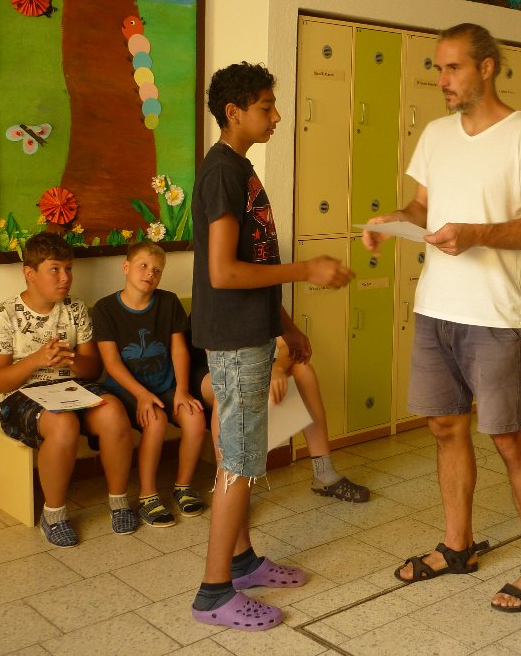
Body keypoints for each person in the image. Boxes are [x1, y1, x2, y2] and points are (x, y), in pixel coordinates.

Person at [362, 23, 521, 612]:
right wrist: (393, 219)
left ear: (487, 67)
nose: (441, 80)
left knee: (509, 438)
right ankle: (458, 546)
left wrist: (478, 234)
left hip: (496, 315)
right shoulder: (435, 134)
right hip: (436, 308)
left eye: (452, 68)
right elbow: (422, 206)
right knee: (445, 428)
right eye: (437, 68)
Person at [190, 61, 354, 631]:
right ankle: (214, 593)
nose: (278, 115)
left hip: (252, 332)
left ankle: (242, 562)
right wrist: (306, 269)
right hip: (235, 342)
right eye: (266, 106)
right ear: (233, 112)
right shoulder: (223, 172)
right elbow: (223, 272)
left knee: (241, 457)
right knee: (238, 463)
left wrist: (285, 326)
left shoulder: (239, 168)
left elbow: (252, 264)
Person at [0, 231, 137, 547]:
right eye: (55, 269)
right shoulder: (3, 315)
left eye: (68, 269)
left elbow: (93, 369)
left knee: (114, 412)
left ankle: (119, 501)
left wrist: (72, 360)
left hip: (72, 387)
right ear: (30, 273)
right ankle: (53, 515)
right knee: (63, 423)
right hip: (22, 397)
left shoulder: (74, 309)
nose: (65, 277)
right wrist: (36, 360)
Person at [92, 241, 208, 527]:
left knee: (195, 416)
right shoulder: (105, 308)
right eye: (143, 266)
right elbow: (111, 362)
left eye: (157, 270)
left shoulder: (168, 302)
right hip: (126, 390)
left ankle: (183, 487)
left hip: (166, 386)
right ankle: (148, 495)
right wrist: (142, 395)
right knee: (155, 421)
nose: (149, 274)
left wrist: (182, 390)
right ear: (126, 267)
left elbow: (179, 349)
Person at [270, 336, 369, 502]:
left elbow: (286, 344)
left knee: (303, 370)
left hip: (259, 370)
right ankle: (232, 483)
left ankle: (323, 473)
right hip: (227, 374)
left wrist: (278, 368)